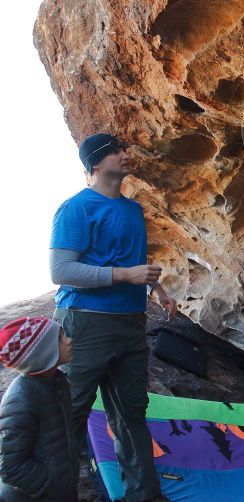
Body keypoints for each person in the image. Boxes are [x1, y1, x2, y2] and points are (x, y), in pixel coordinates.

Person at [49, 133, 177, 502]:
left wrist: (156, 291)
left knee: (131, 413)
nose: (126, 154)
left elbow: (133, 263)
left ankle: (144, 496)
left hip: (130, 323)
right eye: (117, 151)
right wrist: (124, 276)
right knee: (70, 414)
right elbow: (61, 270)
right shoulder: (76, 208)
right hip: (85, 322)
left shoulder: (133, 210)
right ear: (95, 164)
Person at [0, 316, 77, 501]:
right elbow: (10, 467)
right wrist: (50, 484)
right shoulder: (20, 402)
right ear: (43, 353)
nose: (69, 340)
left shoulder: (56, 381)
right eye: (60, 338)